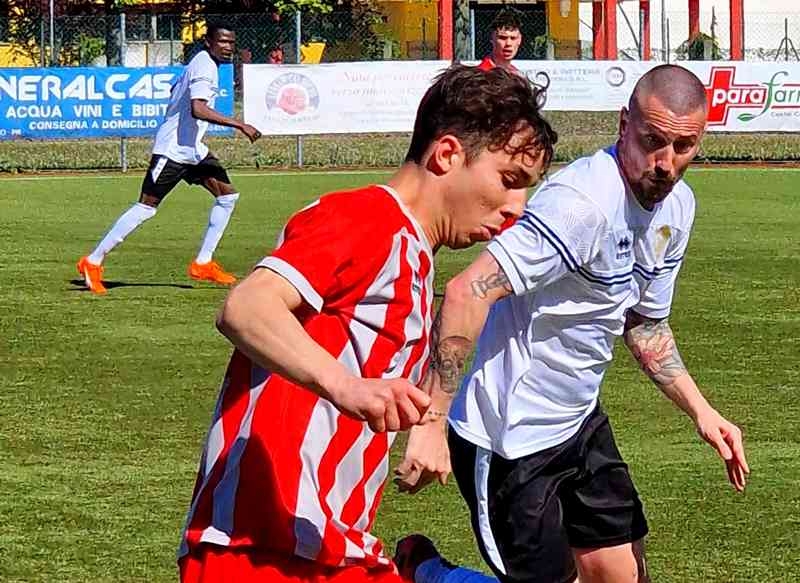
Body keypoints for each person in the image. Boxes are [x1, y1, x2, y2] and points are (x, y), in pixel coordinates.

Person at [178, 64, 558, 583]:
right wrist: (346, 386)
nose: (517, 208)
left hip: (332, 545)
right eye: (509, 181)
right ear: (447, 154)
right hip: (260, 545)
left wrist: (430, 422)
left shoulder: (416, 257)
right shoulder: (367, 218)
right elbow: (247, 307)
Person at [394, 65, 750, 583]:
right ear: (623, 124)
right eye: (652, 141)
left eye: (683, 146)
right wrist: (431, 424)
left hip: (580, 422)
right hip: (510, 440)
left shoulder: (677, 207)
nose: (665, 163)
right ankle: (427, 572)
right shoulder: (580, 206)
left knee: (623, 576)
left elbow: (645, 324)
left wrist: (702, 411)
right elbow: (468, 290)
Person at [76, 24, 262, 295]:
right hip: (172, 150)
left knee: (227, 197)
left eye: (231, 42)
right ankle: (93, 261)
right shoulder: (204, 66)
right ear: (208, 41)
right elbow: (198, 109)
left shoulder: (202, 63)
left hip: (193, 150)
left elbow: (177, 90)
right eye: (222, 41)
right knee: (146, 208)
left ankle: (203, 263)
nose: (228, 47)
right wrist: (240, 124)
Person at [478, 9, 522, 74]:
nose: (508, 43)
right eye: (503, 38)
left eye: (513, 38)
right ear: (492, 38)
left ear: (519, 40)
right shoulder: (483, 73)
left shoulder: (516, 73)